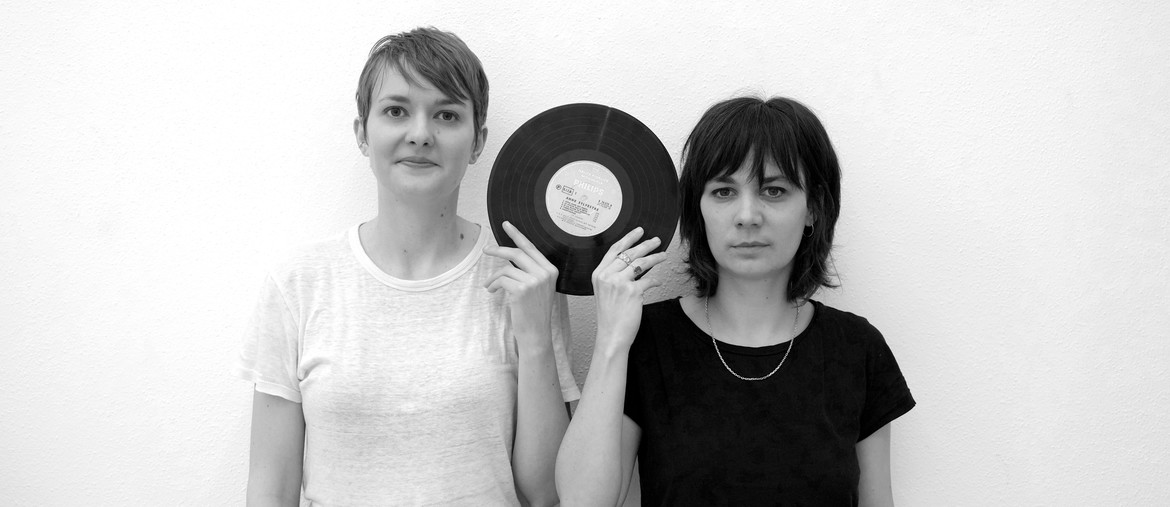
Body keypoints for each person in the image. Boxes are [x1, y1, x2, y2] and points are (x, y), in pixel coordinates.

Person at [236, 27, 579, 506]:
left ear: (477, 142)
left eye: (446, 114)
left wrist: (536, 337)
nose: (420, 134)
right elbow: (271, 489)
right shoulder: (299, 282)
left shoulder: (524, 278)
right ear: (362, 132)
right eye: (396, 111)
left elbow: (546, 493)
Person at [556, 96, 915, 506]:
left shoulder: (857, 348)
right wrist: (611, 340)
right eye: (724, 191)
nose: (747, 215)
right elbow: (582, 502)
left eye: (774, 190)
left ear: (813, 208)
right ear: (697, 208)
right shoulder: (646, 338)